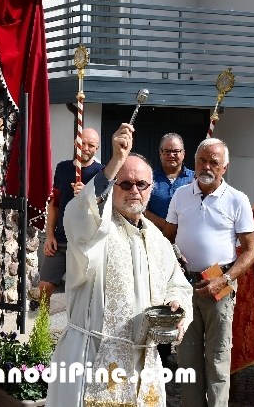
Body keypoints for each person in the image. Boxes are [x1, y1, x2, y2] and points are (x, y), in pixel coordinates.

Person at [47, 123, 193, 407]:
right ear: (113, 186)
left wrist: (176, 305)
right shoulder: (95, 228)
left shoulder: (157, 238)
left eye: (142, 184)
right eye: (125, 183)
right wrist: (115, 162)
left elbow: (177, 282)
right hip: (93, 357)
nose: (134, 190)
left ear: (151, 189)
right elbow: (76, 213)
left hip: (144, 364)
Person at [163, 138, 254, 407]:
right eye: (202, 160)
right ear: (194, 163)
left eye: (214, 162)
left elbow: (251, 251)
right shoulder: (180, 195)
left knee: (217, 357)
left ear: (224, 166)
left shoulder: (238, 200)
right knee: (187, 357)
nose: (207, 166)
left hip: (221, 280)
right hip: (184, 285)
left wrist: (224, 280)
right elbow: (168, 237)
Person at [144, 133, 195, 365]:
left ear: (183, 154)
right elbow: (141, 209)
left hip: (188, 247)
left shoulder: (195, 180)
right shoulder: (149, 180)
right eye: (167, 151)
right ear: (160, 154)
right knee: (161, 296)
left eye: (176, 151)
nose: (171, 155)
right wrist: (164, 225)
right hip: (157, 245)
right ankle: (162, 353)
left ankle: (189, 351)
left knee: (186, 296)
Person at [38, 128, 103, 306]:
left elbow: (103, 208)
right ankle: (43, 328)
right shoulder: (63, 168)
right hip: (60, 240)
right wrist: (49, 235)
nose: (86, 148)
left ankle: (78, 329)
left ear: (97, 148)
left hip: (85, 242)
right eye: (83, 143)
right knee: (44, 287)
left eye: (91, 145)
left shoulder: (102, 173)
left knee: (82, 293)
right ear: (76, 143)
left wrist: (86, 196)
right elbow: (54, 203)